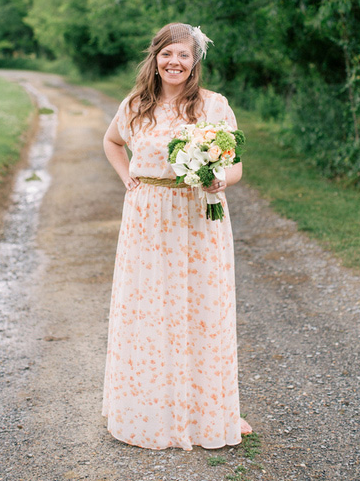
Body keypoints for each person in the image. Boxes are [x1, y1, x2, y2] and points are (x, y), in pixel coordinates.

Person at [102, 22, 252, 450]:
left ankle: (207, 410)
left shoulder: (214, 106)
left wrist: (220, 180)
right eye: (167, 54)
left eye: (183, 55)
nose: (175, 62)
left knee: (201, 308)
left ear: (195, 61)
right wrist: (126, 179)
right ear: (155, 58)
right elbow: (112, 143)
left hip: (199, 218)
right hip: (147, 217)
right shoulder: (135, 105)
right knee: (150, 309)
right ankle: (148, 408)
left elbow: (236, 165)